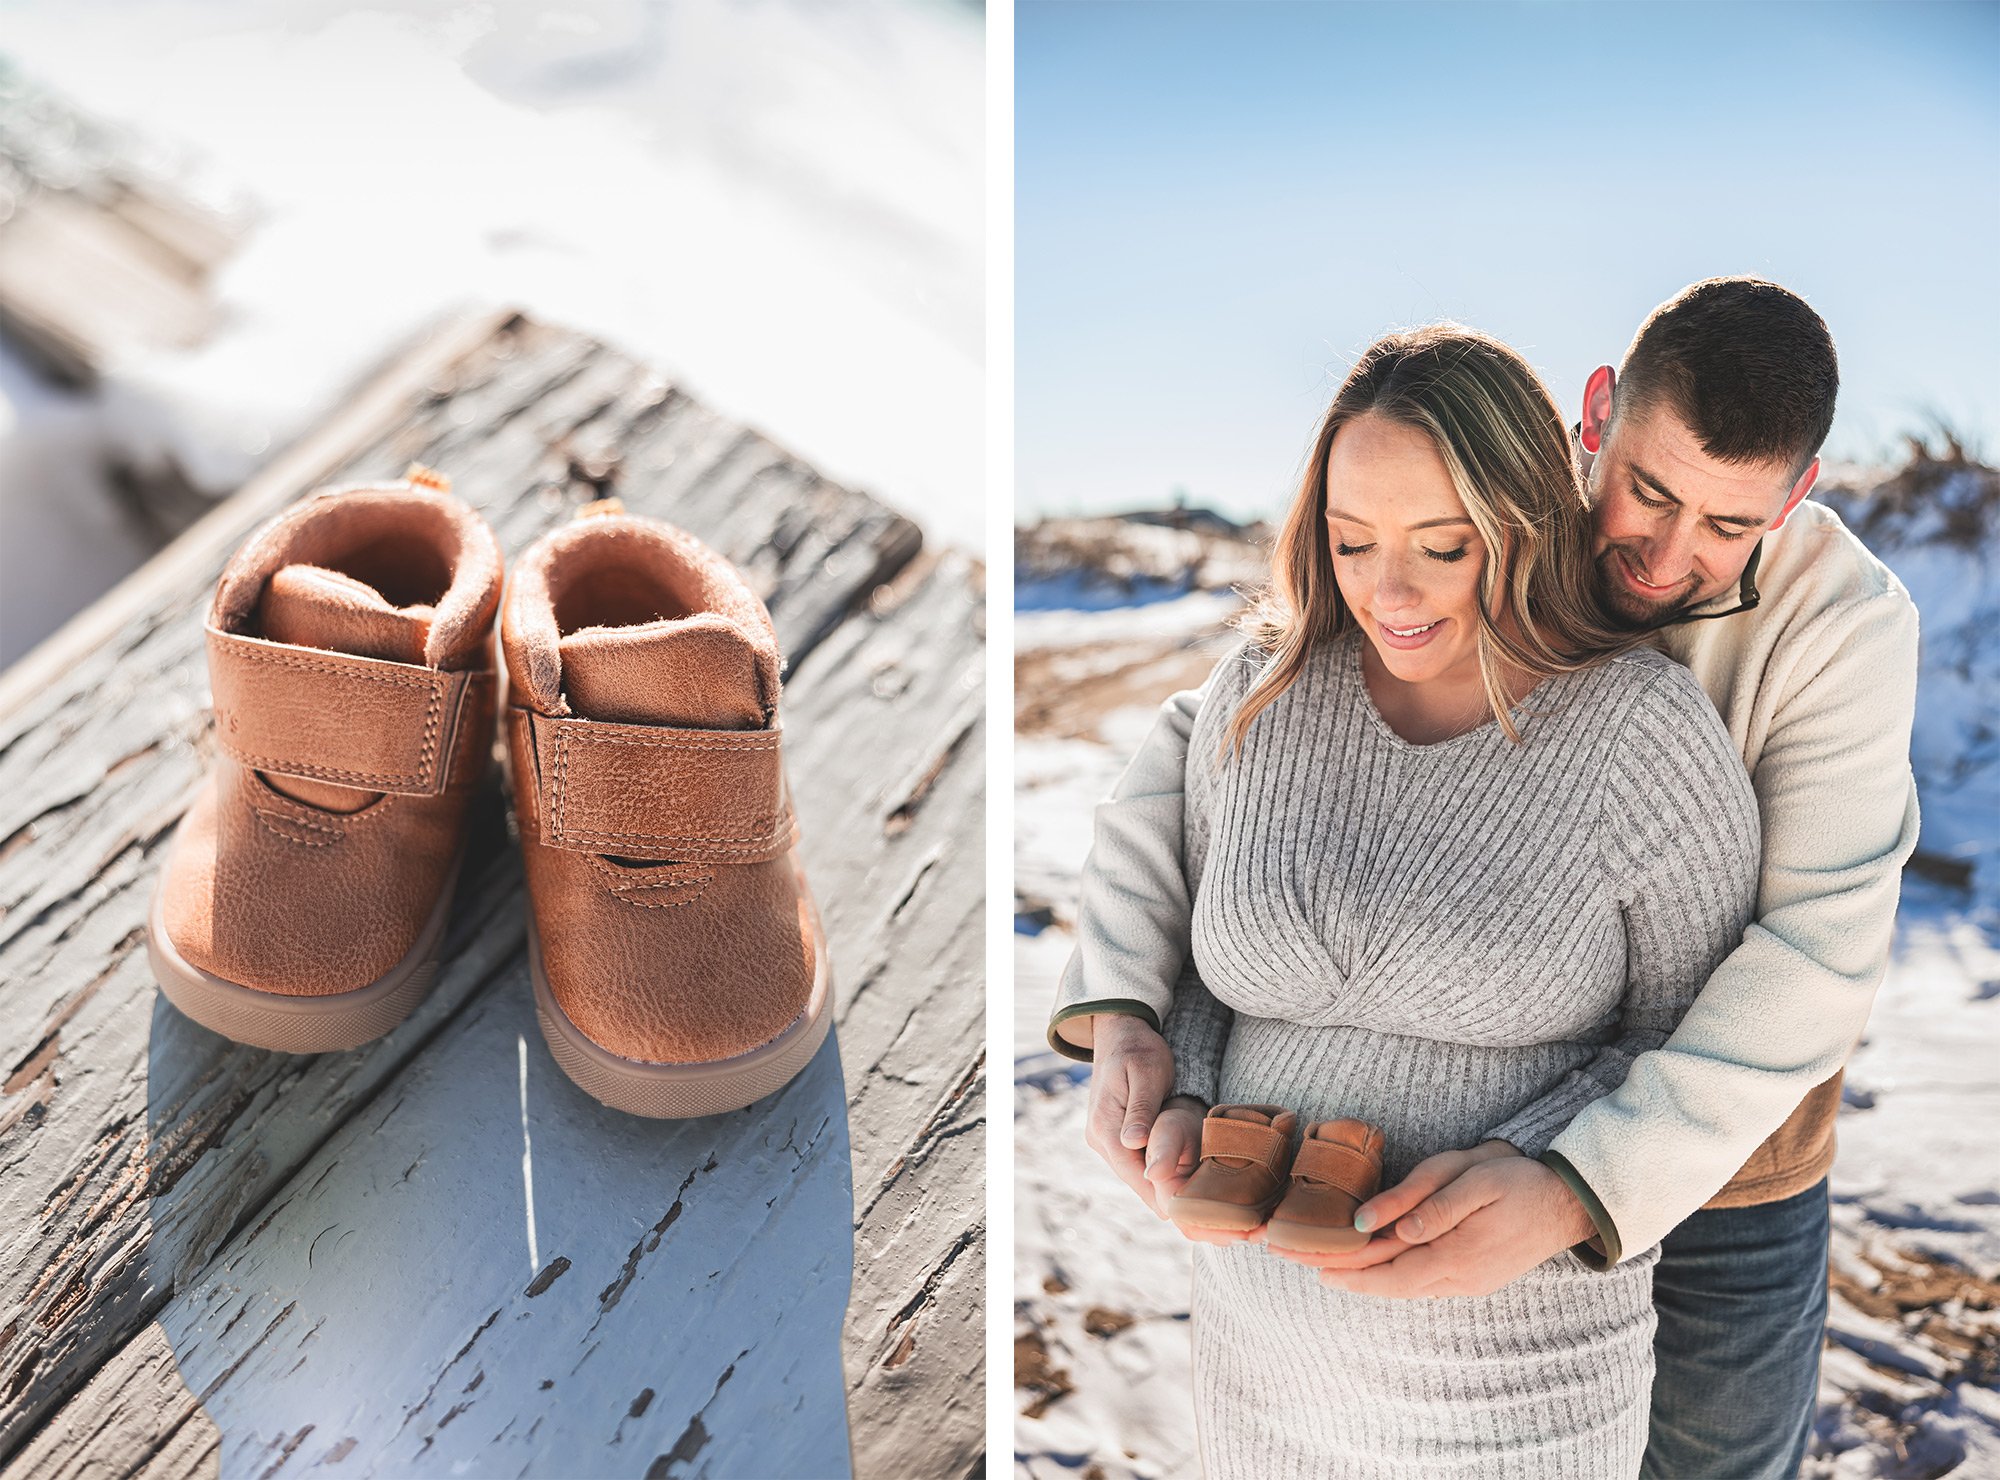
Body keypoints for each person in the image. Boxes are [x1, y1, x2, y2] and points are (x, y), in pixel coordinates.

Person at [1047, 278, 1922, 1479]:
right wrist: (1126, 1011)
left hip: (1731, 1136)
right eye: (1648, 492)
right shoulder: (1470, 488)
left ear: (1794, 493)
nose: (1667, 556)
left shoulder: (1841, 623)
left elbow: (1817, 952)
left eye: (1729, 525)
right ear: (1593, 417)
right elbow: (1202, 758)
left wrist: (1574, 1186)